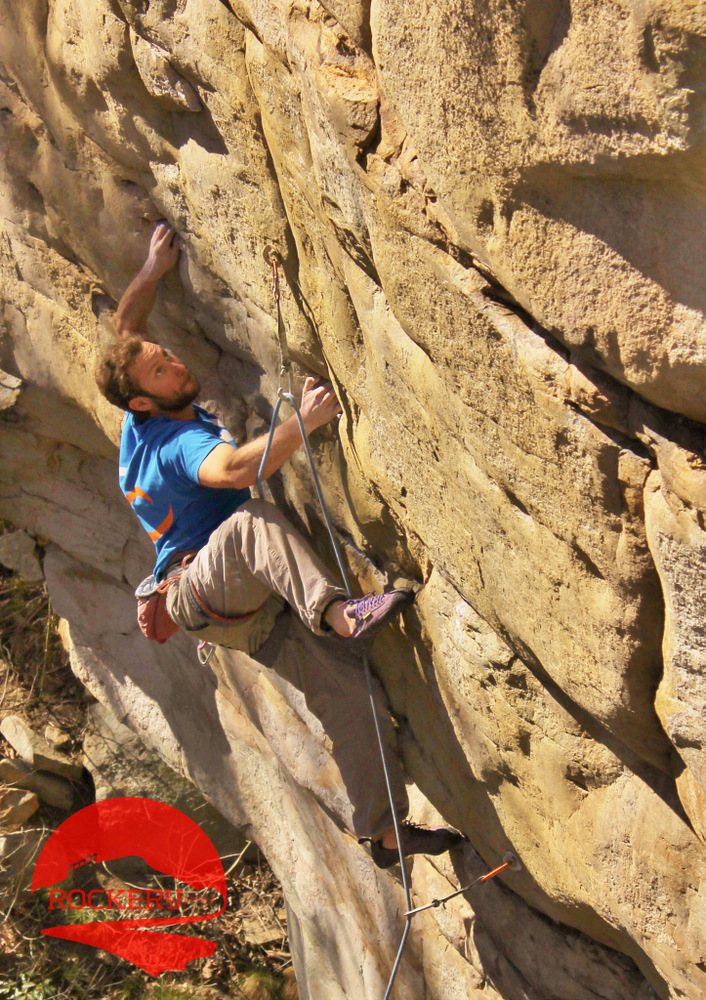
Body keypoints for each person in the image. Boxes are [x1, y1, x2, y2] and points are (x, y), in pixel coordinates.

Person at [96, 222, 464, 868]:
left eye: (165, 355)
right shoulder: (175, 445)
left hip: (244, 608)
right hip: (202, 587)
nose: (174, 363)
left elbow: (125, 326)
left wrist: (152, 270)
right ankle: (337, 611)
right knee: (250, 522)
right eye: (160, 369)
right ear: (143, 401)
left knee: (348, 692)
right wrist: (304, 423)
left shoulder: (137, 411)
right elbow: (238, 470)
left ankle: (383, 833)